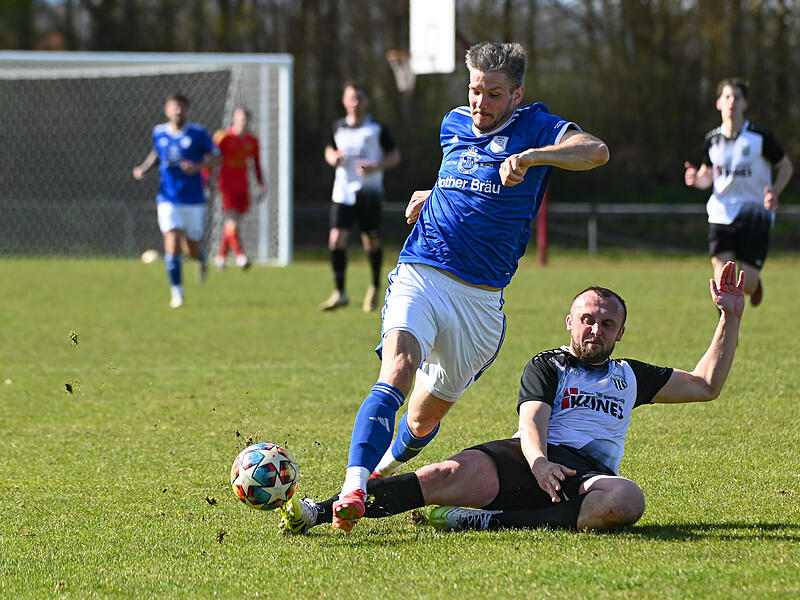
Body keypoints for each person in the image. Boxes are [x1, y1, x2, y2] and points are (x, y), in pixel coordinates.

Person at [328, 42, 609, 533]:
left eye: (494, 94)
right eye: (475, 90)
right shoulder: (453, 122)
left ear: (517, 95)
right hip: (423, 268)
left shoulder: (539, 127)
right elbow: (460, 175)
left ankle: (382, 471)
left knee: (421, 419)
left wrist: (534, 156)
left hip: (480, 304)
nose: (480, 103)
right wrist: (431, 193)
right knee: (397, 369)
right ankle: (354, 485)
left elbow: (596, 151)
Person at [279, 261, 745, 534]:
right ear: (570, 322)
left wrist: (730, 317)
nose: (594, 329)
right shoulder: (550, 364)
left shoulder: (630, 376)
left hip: (583, 478)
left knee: (625, 500)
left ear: (620, 332)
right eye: (587, 318)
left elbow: (706, 385)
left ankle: (483, 521)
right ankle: (319, 511)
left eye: (606, 323)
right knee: (438, 474)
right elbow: (532, 420)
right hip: (524, 459)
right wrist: (540, 462)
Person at [684, 77, 793, 307]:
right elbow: (708, 176)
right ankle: (726, 334)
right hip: (721, 213)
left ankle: (756, 285)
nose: (732, 101)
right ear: (718, 103)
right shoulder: (712, 140)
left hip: (755, 214)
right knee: (722, 278)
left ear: (745, 104)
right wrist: (696, 179)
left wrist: (775, 190)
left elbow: (786, 166)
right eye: (727, 96)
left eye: (737, 97)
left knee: (747, 283)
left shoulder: (760, 137)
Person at [319, 80, 401, 312]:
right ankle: (340, 292)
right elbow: (328, 149)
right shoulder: (338, 127)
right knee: (336, 240)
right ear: (344, 101)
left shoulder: (376, 128)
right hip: (342, 192)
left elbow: (394, 155)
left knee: (370, 241)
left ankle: (374, 287)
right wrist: (332, 157)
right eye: (351, 98)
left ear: (366, 101)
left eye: (359, 98)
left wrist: (377, 165)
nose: (355, 103)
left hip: (369, 194)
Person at [132, 93, 220, 308]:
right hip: (168, 198)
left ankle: (200, 256)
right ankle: (177, 294)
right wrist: (144, 168)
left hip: (193, 199)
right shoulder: (159, 132)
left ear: (187, 110)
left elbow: (218, 158)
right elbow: (157, 153)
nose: (177, 111)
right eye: (174, 107)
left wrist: (197, 167)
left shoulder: (198, 133)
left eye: (181, 107)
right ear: (167, 110)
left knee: (190, 249)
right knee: (171, 242)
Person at [212, 107, 265, 270]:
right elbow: (211, 159)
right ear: (234, 118)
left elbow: (256, 163)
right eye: (239, 116)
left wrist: (261, 183)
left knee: (232, 223)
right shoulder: (223, 137)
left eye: (245, 117)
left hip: (243, 184)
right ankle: (240, 256)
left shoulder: (252, 141)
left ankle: (220, 257)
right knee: (232, 220)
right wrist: (205, 180)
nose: (243, 120)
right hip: (226, 184)